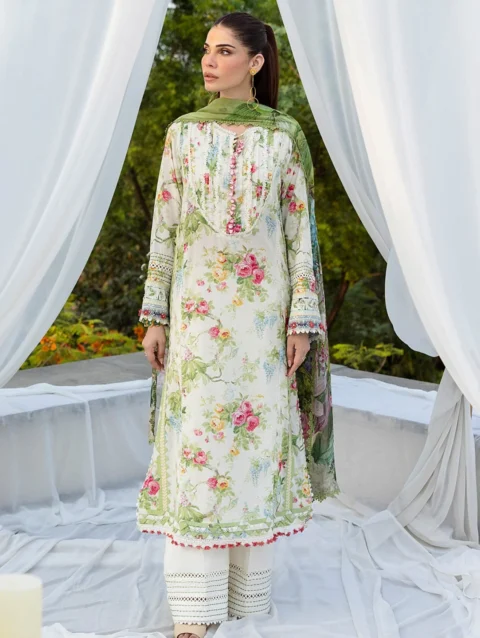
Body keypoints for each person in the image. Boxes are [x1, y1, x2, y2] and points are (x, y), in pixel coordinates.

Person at [136, 11, 338, 638]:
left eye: (224, 51)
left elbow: (299, 236)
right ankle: (193, 613)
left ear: (255, 62)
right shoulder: (182, 134)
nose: (209, 60)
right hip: (197, 320)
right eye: (207, 49)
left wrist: (302, 321)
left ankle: (245, 598)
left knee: (251, 451)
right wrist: (155, 315)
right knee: (197, 449)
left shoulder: (284, 138)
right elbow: (165, 229)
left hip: (261, 325)